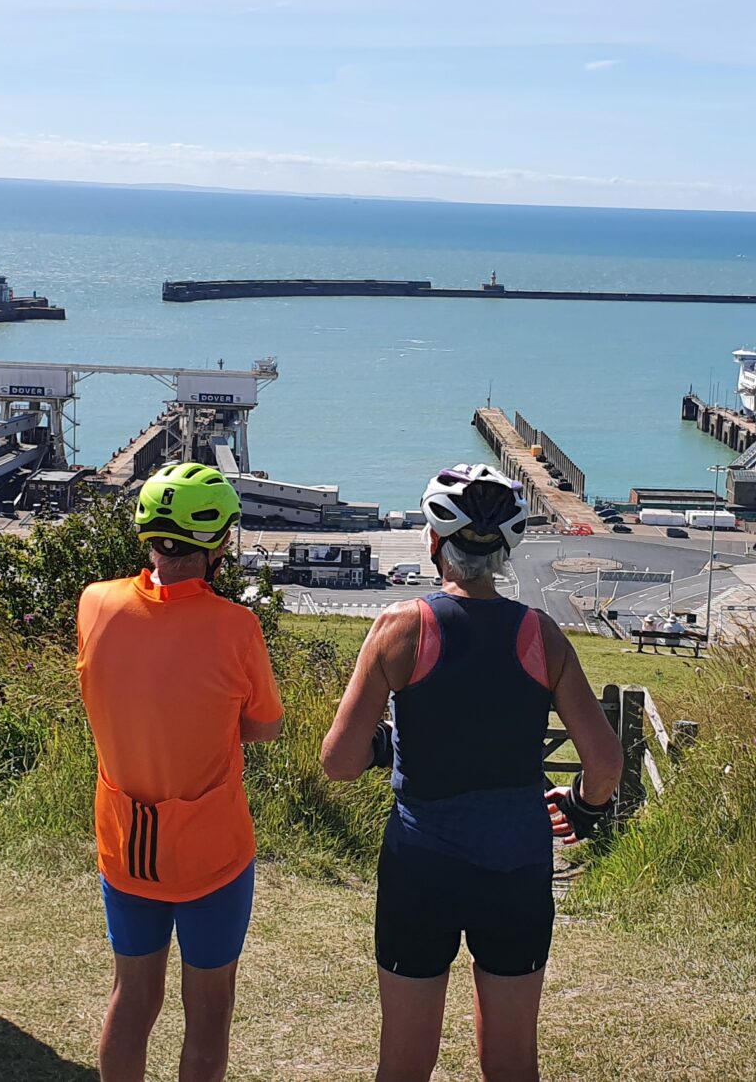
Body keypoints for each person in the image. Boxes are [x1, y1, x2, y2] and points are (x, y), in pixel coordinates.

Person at [320, 464, 624, 1082]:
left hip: (420, 866)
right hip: (516, 864)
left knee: (403, 1063)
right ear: (507, 549)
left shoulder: (400, 628)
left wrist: (389, 746)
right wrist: (584, 805)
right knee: (513, 1063)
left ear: (434, 543)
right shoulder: (540, 633)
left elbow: (340, 763)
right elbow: (606, 765)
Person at [75, 462, 282, 1082]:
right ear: (219, 544)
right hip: (211, 850)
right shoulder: (237, 628)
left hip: (126, 844)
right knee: (209, 1012)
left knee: (132, 999)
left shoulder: (96, 603)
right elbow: (264, 726)